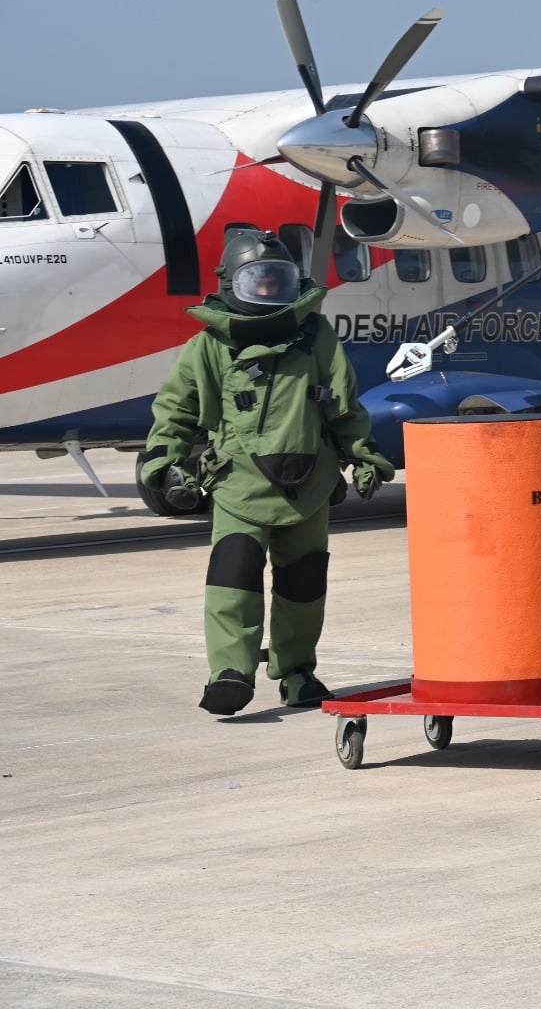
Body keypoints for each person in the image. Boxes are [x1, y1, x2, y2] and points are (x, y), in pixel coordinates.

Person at [139, 229, 394, 716]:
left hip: (310, 484)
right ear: (231, 283)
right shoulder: (209, 346)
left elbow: (344, 404)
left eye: (277, 280)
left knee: (303, 586)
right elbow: (174, 410)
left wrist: (364, 457)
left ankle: (297, 673)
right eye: (256, 280)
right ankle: (230, 672)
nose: (267, 290)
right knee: (232, 578)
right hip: (238, 484)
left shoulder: (317, 337)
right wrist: (165, 465)